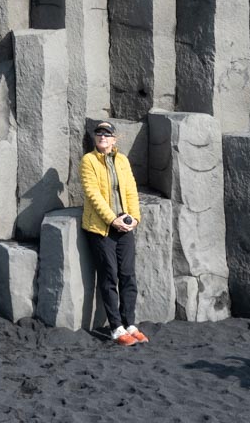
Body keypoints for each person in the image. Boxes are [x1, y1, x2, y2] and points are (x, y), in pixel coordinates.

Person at [80, 120, 149, 347]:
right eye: (99, 133)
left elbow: (130, 190)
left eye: (107, 133)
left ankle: (130, 323)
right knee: (109, 276)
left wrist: (134, 218)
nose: (102, 136)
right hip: (101, 229)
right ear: (95, 138)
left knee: (128, 274)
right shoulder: (88, 160)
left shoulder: (122, 160)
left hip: (125, 227)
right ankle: (116, 327)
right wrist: (112, 219)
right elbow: (92, 194)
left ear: (114, 139)